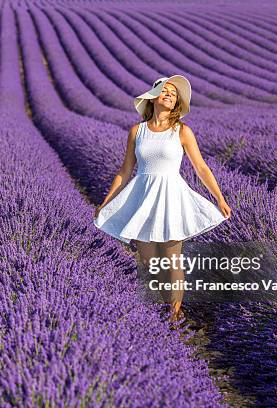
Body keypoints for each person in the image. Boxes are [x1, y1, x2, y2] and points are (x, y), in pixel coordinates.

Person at [93, 75, 232, 323]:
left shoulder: (182, 131)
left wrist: (219, 198)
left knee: (172, 260)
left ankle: (174, 316)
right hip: (142, 196)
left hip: (171, 196)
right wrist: (107, 202)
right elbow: (125, 170)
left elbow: (201, 168)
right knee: (149, 262)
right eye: (165, 91)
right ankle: (160, 307)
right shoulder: (137, 131)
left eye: (174, 93)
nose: (169, 94)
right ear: (153, 96)